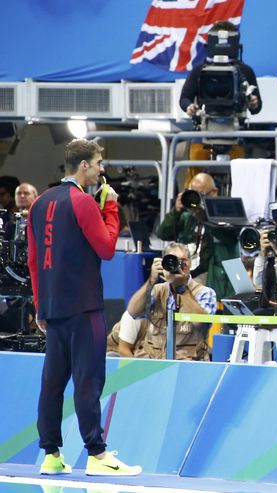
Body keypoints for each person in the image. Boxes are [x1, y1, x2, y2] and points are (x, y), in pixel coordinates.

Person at [27, 138, 141, 476]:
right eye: (98, 163)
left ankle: (50, 455)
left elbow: (34, 261)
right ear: (84, 166)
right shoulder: (83, 202)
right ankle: (97, 454)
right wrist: (110, 208)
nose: (102, 169)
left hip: (52, 307)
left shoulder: (40, 202)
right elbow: (107, 248)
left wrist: (39, 306)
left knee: (52, 384)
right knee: (88, 381)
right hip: (83, 306)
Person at [121, 243, 217, 360]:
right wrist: (151, 280)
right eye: (172, 261)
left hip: (187, 367)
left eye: (183, 261)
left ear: (190, 264)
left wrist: (182, 289)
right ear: (163, 264)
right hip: (153, 366)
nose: (177, 265)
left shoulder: (205, 293)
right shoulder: (157, 291)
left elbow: (202, 324)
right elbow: (133, 311)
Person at [157, 172, 238, 298]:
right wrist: (176, 211)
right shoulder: (187, 217)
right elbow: (163, 233)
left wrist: (206, 218)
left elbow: (229, 238)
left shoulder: (224, 214)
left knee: (187, 290)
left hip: (209, 275)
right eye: (191, 193)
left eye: (200, 194)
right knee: (161, 291)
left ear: (214, 192)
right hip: (184, 269)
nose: (195, 199)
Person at [179, 21, 261, 117]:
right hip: (205, 122)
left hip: (237, 122)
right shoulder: (199, 70)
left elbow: (257, 107)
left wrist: (254, 103)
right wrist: (189, 106)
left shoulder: (245, 70)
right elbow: (184, 98)